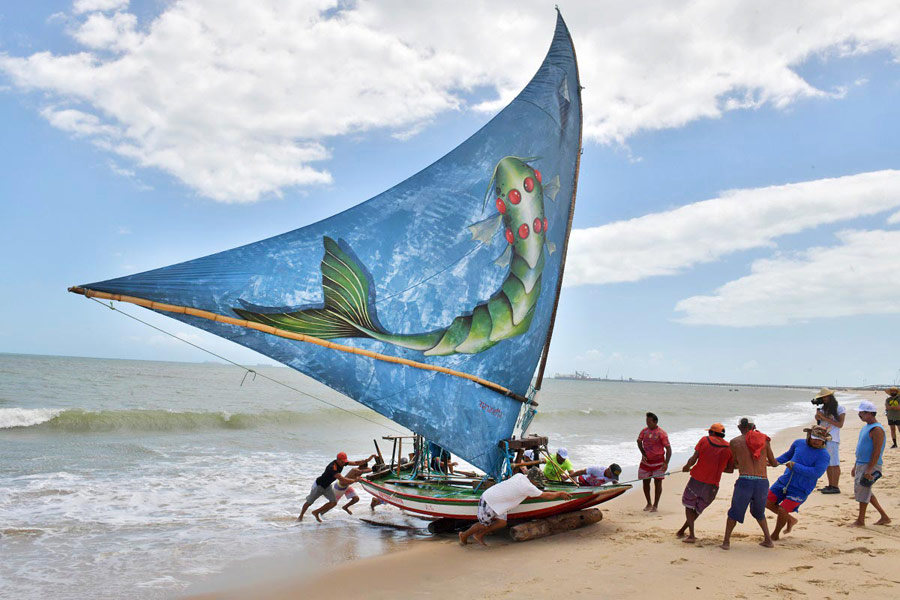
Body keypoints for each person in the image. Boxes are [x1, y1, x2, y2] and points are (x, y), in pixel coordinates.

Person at [459, 468, 572, 546]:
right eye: (537, 482)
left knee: (501, 523)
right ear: (532, 480)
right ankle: (464, 535)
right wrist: (559, 493)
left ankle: (479, 535)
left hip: (500, 501)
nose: (538, 484)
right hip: (490, 500)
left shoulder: (520, 476)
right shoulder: (528, 487)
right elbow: (545, 495)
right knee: (483, 524)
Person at [721, 418, 777, 550]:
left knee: (734, 512)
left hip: (745, 480)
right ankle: (768, 540)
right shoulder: (764, 440)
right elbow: (774, 463)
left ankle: (726, 542)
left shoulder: (734, 442)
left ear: (740, 427)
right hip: (762, 481)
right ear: (753, 426)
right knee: (759, 512)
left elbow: (736, 462)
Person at [766, 426, 831, 540]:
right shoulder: (798, 443)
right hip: (784, 481)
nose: (817, 441)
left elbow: (816, 473)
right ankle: (790, 519)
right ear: (809, 435)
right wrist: (774, 461)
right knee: (766, 502)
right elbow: (787, 455)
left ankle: (775, 534)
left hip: (801, 488)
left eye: (820, 439)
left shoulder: (824, 455)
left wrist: (796, 467)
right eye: (815, 438)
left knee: (783, 509)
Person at [676, 423, 734, 543]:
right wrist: (716, 467)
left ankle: (691, 535)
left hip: (697, 479)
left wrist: (687, 466)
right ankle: (682, 531)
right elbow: (730, 469)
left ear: (712, 432)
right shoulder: (729, 448)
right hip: (713, 484)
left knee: (689, 505)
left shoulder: (704, 440)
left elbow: (694, 458)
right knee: (698, 508)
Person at [298, 451, 375, 522]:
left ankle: (316, 512)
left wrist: (368, 459)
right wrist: (355, 480)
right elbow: (342, 479)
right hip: (319, 485)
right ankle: (300, 516)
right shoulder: (332, 467)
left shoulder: (343, 462)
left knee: (333, 503)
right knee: (309, 502)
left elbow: (355, 463)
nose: (343, 463)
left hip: (327, 486)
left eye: (344, 461)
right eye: (342, 461)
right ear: (337, 459)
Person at [851, 400, 891, 527]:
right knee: (865, 490)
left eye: (861, 413)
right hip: (861, 463)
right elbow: (861, 449)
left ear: (869, 413)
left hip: (870, 465)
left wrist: (869, 469)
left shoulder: (877, 429)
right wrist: (855, 465)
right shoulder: (866, 427)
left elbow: (876, 451)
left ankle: (860, 520)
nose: (859, 415)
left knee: (863, 490)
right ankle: (884, 517)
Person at [813, 388, 846, 494]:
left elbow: (840, 424)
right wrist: (818, 417)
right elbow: (820, 423)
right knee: (828, 463)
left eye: (826, 397)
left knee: (834, 463)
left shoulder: (840, 408)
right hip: (823, 438)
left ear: (831, 397)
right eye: (822, 397)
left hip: (833, 438)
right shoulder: (822, 409)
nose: (824, 399)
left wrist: (823, 417)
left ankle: (835, 486)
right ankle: (831, 485)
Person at [637, 412, 671, 512]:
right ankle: (648, 503)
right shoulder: (644, 431)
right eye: (646, 421)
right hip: (646, 462)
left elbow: (668, 449)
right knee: (645, 482)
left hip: (659, 462)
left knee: (658, 483)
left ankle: (655, 505)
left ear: (655, 422)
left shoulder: (661, 433)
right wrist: (643, 453)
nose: (647, 423)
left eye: (649, 422)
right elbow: (638, 441)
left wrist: (666, 463)